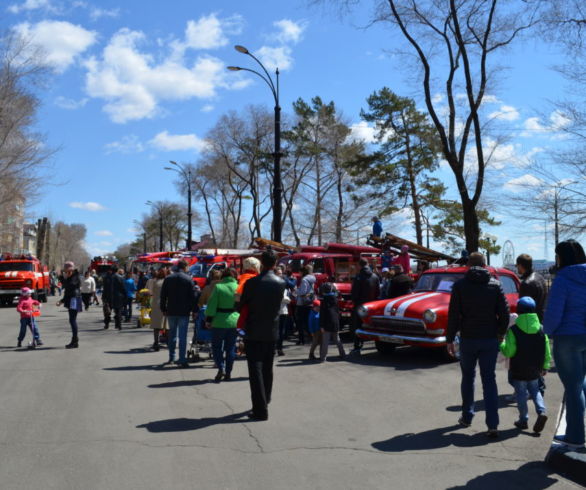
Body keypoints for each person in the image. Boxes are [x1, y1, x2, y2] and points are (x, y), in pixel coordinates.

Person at [446, 252, 509, 438]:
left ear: (468, 265)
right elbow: (504, 315)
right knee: (489, 380)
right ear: (485, 265)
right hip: (489, 338)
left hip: (468, 339)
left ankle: (467, 417)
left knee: (468, 377)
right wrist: (500, 334)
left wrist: (449, 339)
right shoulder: (495, 285)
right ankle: (493, 424)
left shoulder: (460, 286)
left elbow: (453, 315)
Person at [543, 239, 586, 449]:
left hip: (568, 338)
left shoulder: (563, 279)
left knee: (573, 387)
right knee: (581, 383)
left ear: (562, 257)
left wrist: (545, 333)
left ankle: (575, 436)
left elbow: (553, 315)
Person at [239, 249, 286, 421]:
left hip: (254, 330)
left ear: (262, 262)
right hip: (272, 329)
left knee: (255, 370)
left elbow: (242, 304)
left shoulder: (252, 283)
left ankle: (260, 409)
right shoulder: (280, 282)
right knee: (267, 368)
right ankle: (266, 398)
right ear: (275, 263)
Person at [500, 296, 551, 433]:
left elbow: (509, 352)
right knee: (535, 390)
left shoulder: (514, 330)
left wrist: (502, 343)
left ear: (519, 310)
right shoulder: (541, 329)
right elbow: (546, 350)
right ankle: (541, 411)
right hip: (536, 368)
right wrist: (545, 366)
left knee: (521, 394)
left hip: (519, 368)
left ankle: (523, 420)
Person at [160, 259, 197, 368]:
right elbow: (193, 297)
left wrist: (163, 308)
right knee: (182, 336)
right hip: (184, 311)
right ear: (185, 267)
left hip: (171, 310)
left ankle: (172, 357)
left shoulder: (168, 279)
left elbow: (163, 296)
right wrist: (194, 310)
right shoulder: (188, 279)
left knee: (172, 335)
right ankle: (182, 359)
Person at [205, 268, 239, 382]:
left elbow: (212, 305)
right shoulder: (238, 287)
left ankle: (221, 367)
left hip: (219, 321)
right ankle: (228, 372)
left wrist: (208, 319)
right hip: (234, 320)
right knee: (231, 348)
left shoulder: (218, 287)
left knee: (216, 347)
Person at [351, 258, 380, 352]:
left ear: (360, 265)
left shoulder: (358, 277)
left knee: (358, 325)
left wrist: (354, 301)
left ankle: (357, 344)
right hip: (372, 305)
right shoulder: (375, 276)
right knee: (372, 324)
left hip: (360, 304)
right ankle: (376, 343)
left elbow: (355, 293)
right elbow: (378, 292)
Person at [57, 261, 82, 349]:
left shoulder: (75, 277)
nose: (66, 273)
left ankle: (75, 340)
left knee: (72, 320)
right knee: (72, 320)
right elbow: (67, 290)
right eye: (65, 271)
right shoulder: (70, 277)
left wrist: (63, 278)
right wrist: (62, 301)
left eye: (66, 271)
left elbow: (69, 287)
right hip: (71, 298)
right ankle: (75, 340)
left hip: (74, 299)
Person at [319, 282, 346, 362]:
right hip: (335, 322)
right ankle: (343, 354)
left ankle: (323, 358)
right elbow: (338, 312)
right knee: (337, 340)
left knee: (325, 341)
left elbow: (322, 314)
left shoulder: (323, 301)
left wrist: (321, 325)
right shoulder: (335, 300)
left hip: (326, 323)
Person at [516, 254, 547, 320]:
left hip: (531, 323)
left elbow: (523, 308)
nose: (517, 268)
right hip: (542, 319)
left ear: (520, 265)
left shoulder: (526, 284)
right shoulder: (541, 278)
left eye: (517, 266)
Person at [146, 268, 167, 351]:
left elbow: (150, 292)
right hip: (165, 304)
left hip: (155, 304)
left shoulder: (154, 282)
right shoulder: (167, 281)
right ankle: (169, 342)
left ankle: (156, 342)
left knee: (156, 326)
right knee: (166, 325)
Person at [295, 265, 316, 345]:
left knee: (300, 322)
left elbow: (303, 292)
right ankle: (311, 338)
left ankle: (302, 339)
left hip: (302, 303)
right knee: (308, 321)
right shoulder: (312, 278)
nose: (299, 273)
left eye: (300, 271)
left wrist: (296, 291)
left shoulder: (304, 280)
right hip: (310, 302)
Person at [275, 266, 291, 356]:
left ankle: (280, 348)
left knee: (282, 331)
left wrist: (286, 299)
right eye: (278, 274)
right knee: (275, 330)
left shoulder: (284, 283)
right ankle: (273, 348)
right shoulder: (273, 284)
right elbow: (281, 298)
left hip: (283, 310)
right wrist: (286, 299)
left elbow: (287, 295)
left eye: (281, 273)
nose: (280, 275)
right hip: (275, 310)